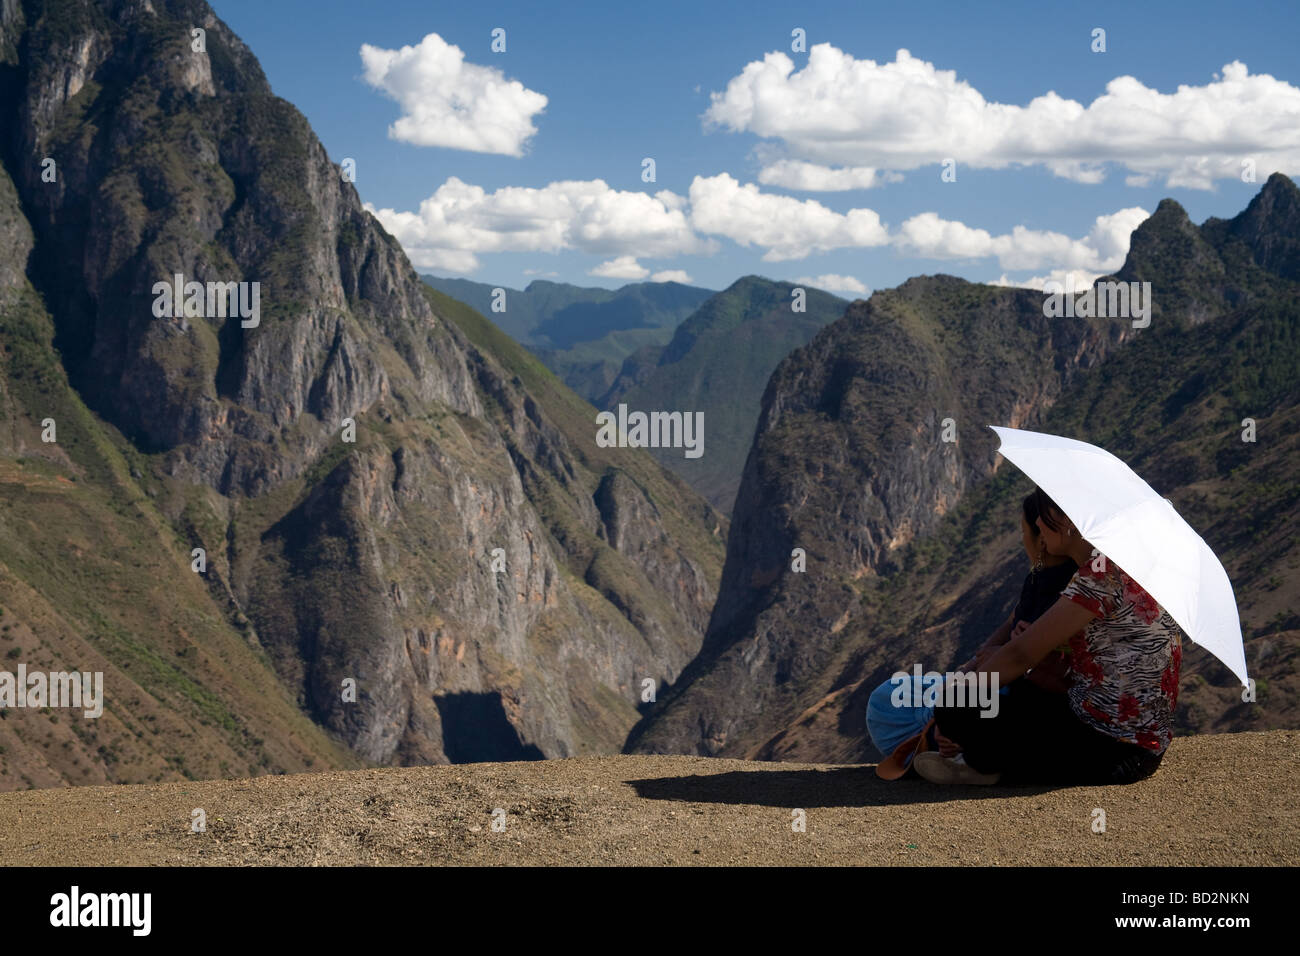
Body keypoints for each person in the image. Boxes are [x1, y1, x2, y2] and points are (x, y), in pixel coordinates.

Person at [914, 486, 1183, 786]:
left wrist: (957, 700)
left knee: (955, 707)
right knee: (1026, 697)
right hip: (1138, 742)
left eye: (1043, 516)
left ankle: (989, 767)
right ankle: (993, 763)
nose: (1038, 525)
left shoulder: (1099, 576)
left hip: (1112, 750)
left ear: (1066, 519)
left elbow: (1020, 656)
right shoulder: (1120, 564)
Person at [869, 494, 1076, 775]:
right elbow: (1011, 623)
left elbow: (1053, 674)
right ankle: (943, 738)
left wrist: (963, 694)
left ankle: (947, 742)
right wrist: (967, 670)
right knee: (888, 697)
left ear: (1042, 540)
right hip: (996, 680)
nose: (1023, 538)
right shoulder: (1039, 578)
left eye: (1025, 531)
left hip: (1021, 694)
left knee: (890, 706)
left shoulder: (1072, 593)